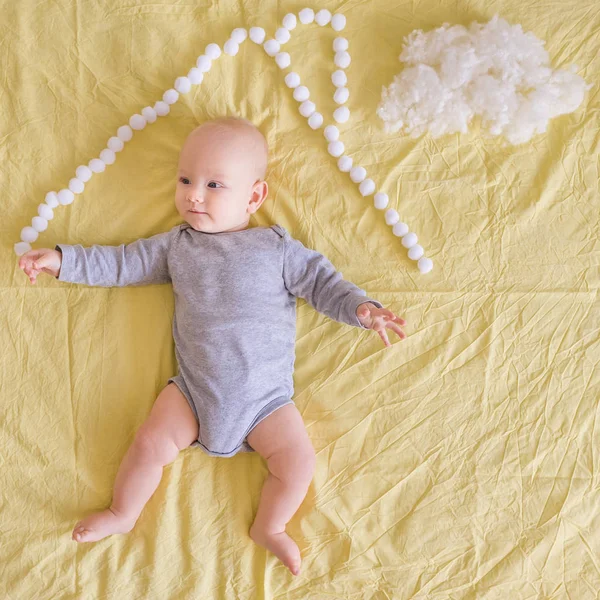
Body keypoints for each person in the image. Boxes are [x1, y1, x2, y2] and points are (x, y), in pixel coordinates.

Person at [18, 116, 406, 576]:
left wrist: (363, 310)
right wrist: (63, 260)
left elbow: (325, 285)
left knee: (298, 463)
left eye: (214, 184)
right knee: (149, 442)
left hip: (266, 400)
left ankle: (270, 526)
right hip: (192, 392)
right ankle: (123, 513)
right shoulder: (178, 246)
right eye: (185, 180)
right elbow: (121, 263)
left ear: (254, 196)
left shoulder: (276, 248)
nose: (193, 194)